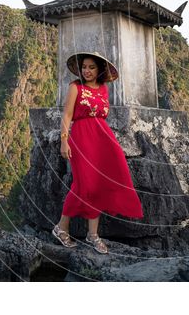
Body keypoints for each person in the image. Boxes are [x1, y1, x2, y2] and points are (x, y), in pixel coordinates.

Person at [51, 51, 144, 253]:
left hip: (103, 138)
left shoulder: (103, 89)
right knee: (85, 185)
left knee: (102, 182)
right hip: (81, 137)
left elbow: (102, 115)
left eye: (91, 67)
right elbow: (67, 116)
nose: (87, 71)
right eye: (84, 67)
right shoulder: (76, 87)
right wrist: (64, 142)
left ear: (99, 70)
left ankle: (92, 234)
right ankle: (61, 227)